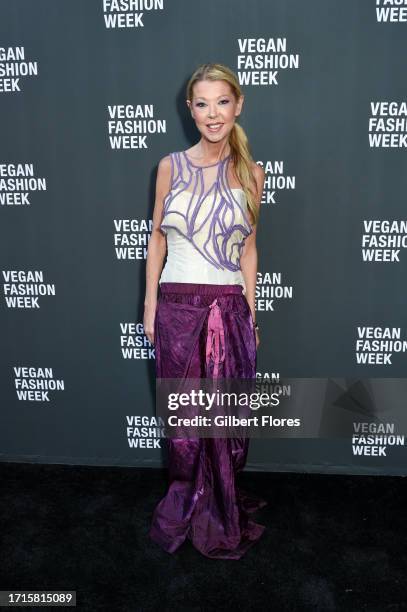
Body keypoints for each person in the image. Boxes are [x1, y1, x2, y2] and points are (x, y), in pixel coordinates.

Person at [143, 63, 266, 560]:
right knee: (183, 417)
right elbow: (157, 238)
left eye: (221, 102)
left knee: (225, 418)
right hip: (176, 306)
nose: (212, 113)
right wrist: (150, 302)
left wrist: (252, 313)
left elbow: (251, 250)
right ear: (189, 109)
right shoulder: (170, 165)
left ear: (237, 105)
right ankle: (187, 495)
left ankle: (221, 500)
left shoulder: (251, 173)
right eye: (201, 103)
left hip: (227, 307)